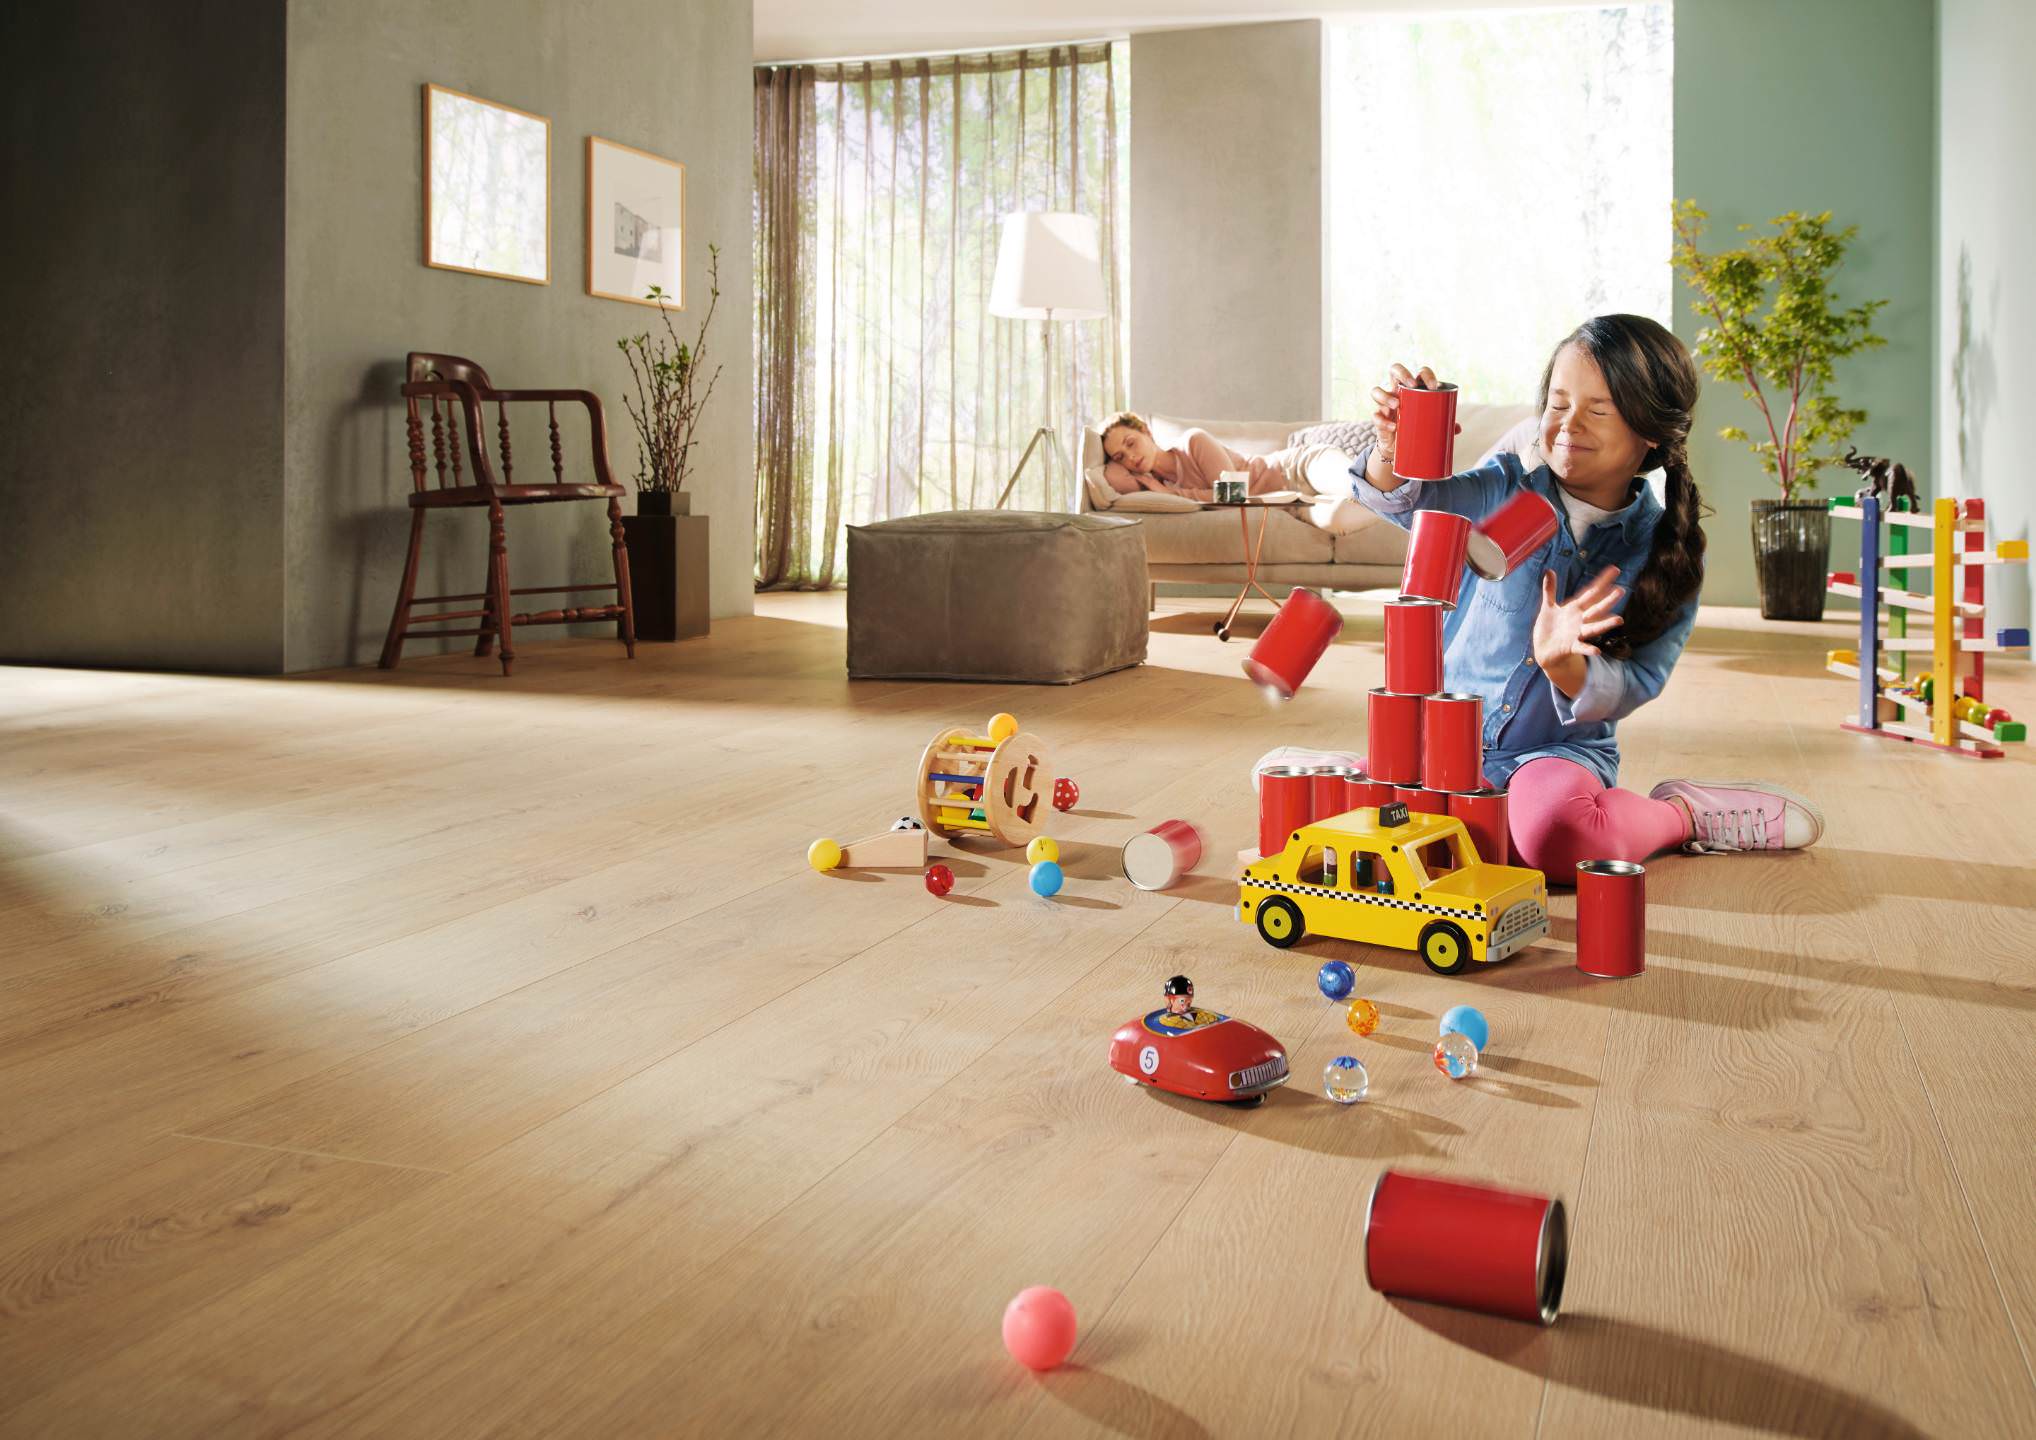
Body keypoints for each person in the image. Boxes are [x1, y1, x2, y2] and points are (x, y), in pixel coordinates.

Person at [1350, 314, 1824, 872]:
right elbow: (1410, 503)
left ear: (1649, 430)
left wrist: (1564, 668)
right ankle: (1405, 792)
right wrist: (1390, 448)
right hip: (1445, 741)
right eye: (1557, 403)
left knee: (1560, 837)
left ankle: (1684, 814)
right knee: (1358, 834)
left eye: (1598, 409)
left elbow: (1637, 681)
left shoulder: (1665, 550)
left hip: (1551, 755)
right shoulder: (1504, 485)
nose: (1569, 424)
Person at [1098, 412, 1372, 534]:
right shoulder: (1162, 490)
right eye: (1121, 457)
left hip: (1300, 466)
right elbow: (1108, 478)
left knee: (1360, 490)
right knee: (1341, 519)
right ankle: (1402, 504)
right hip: (1289, 502)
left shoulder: (1193, 441)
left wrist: (1174, 493)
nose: (1131, 457)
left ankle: (1408, 491)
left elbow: (1235, 496)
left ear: (1146, 431)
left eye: (1130, 443)